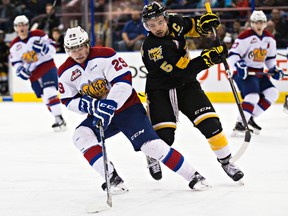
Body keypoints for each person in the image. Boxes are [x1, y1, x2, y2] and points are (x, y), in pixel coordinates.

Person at [57, 26, 213, 193]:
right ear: (67, 50)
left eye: (80, 47)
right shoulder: (65, 71)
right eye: (73, 50)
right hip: (101, 115)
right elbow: (68, 100)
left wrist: (110, 105)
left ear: (87, 44)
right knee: (80, 136)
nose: (78, 53)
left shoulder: (106, 55)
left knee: (151, 146)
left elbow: (123, 82)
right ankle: (111, 177)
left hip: (128, 109)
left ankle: (194, 176)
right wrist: (91, 106)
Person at [140, 2, 244, 183]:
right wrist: (207, 59)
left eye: (159, 22)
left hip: (187, 85)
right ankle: (152, 154)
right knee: (164, 138)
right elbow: (181, 71)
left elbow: (193, 26)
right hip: (160, 89)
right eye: (151, 25)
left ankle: (227, 162)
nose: (156, 28)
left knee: (211, 123)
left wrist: (205, 25)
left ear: (166, 18)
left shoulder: (175, 21)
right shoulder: (153, 48)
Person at [227, 10, 284, 135]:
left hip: (258, 72)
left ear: (265, 23)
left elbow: (270, 59)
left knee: (272, 93)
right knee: (253, 96)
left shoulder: (270, 39)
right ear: (251, 23)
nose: (259, 25)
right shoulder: (245, 36)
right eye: (256, 22)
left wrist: (273, 69)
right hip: (244, 73)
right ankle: (240, 123)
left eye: (261, 22)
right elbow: (232, 55)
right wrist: (239, 65)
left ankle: (250, 117)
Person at [10, 15, 66, 131]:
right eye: (19, 25)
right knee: (45, 98)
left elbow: (53, 48)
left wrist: (44, 48)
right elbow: (16, 62)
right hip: (33, 73)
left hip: (46, 66)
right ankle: (57, 118)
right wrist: (20, 69)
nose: (22, 28)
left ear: (27, 26)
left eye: (24, 25)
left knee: (49, 91)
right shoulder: (14, 45)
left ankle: (59, 118)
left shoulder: (38, 34)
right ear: (15, 28)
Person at [0, 30, 10, 95]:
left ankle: (4, 89)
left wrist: (5, 63)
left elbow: (8, 56)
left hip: (4, 66)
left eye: (2, 36)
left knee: (4, 77)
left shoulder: (6, 46)